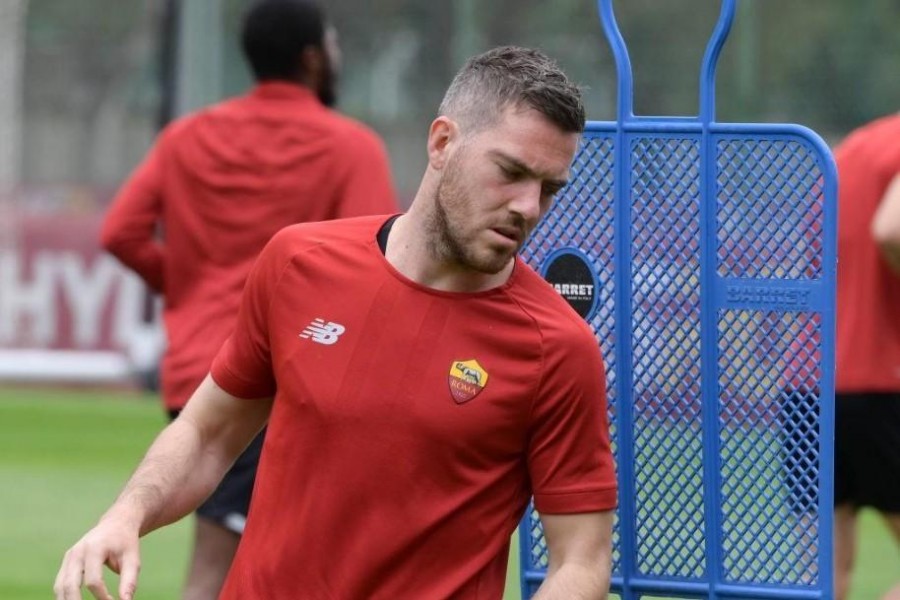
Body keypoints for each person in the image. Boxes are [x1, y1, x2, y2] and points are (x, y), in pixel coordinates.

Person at [55, 46, 617, 600]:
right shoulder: (297, 261)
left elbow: (581, 560)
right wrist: (125, 515)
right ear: (443, 142)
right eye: (511, 172)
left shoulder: (558, 347)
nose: (528, 206)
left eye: (548, 188)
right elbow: (207, 434)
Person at [92, 1, 398, 598]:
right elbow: (375, 260)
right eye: (332, 45)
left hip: (194, 372)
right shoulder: (350, 146)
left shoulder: (187, 135)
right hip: (285, 377)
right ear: (313, 59)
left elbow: (119, 233)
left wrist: (184, 286)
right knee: (218, 573)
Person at [830, 114, 900, 600]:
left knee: (823, 580)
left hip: (809, 383)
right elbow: (891, 229)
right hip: (881, 378)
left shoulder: (852, 146)